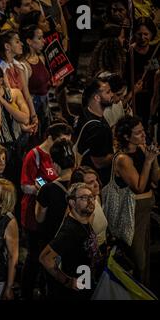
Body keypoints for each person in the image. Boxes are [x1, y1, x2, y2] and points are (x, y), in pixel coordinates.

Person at [20, 121, 72, 300]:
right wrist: (45, 190)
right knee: (34, 257)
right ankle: (25, 292)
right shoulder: (34, 155)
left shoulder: (61, 155)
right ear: (50, 138)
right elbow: (25, 186)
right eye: (63, 141)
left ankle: (45, 288)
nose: (66, 146)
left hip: (52, 217)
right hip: (34, 217)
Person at [113, 115, 159, 286]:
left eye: (142, 131)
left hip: (146, 208)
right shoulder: (123, 159)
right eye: (138, 133)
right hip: (133, 211)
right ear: (126, 136)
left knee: (145, 255)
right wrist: (148, 161)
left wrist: (153, 159)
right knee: (138, 257)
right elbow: (139, 186)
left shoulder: (141, 149)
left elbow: (155, 179)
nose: (143, 135)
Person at [39, 183, 103, 300]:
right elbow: (45, 258)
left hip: (88, 284)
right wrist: (68, 281)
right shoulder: (70, 231)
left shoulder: (83, 221)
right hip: (76, 292)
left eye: (91, 197)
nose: (90, 201)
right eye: (84, 198)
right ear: (72, 203)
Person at [36, 139, 76, 247]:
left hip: (55, 242)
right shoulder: (82, 180)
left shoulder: (47, 189)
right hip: (76, 239)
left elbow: (39, 218)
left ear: (55, 164)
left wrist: (40, 192)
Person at [74, 78, 114, 185]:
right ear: (97, 97)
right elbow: (99, 162)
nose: (112, 94)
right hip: (95, 180)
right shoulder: (97, 128)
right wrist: (118, 153)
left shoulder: (85, 112)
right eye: (108, 92)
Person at [70, 166, 108, 250]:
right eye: (91, 182)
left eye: (96, 180)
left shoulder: (96, 198)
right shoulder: (79, 210)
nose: (97, 184)